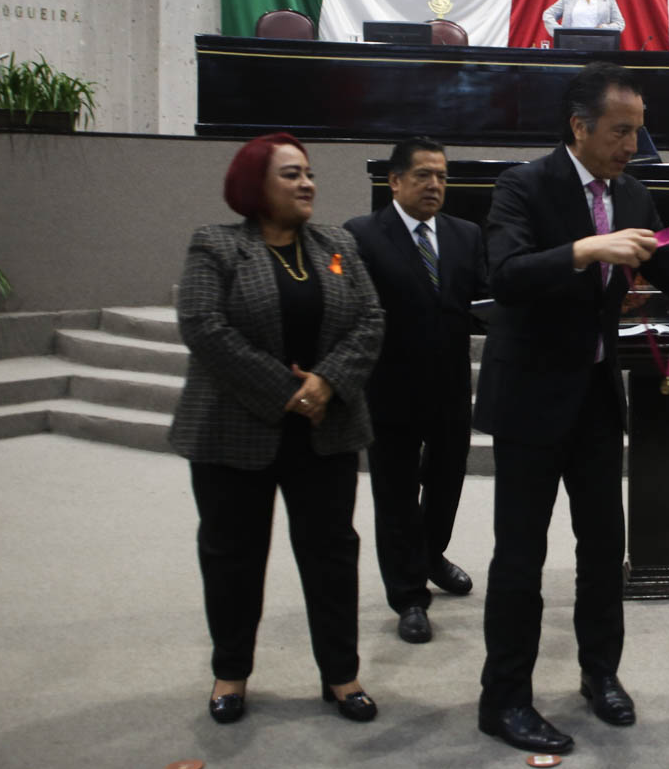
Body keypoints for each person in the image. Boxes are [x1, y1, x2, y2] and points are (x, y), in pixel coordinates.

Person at [473, 61, 669, 754]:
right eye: (620, 132)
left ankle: (600, 673)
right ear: (579, 126)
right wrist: (587, 249)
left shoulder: (635, 197)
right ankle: (504, 700)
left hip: (592, 396)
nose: (631, 146)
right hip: (529, 396)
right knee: (520, 556)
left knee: (602, 549)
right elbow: (506, 275)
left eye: (638, 132)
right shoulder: (524, 186)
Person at [169, 133, 385, 726]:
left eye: (308, 172)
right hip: (233, 432)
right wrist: (290, 391)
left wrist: (327, 384)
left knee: (332, 556)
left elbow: (370, 320)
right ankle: (230, 672)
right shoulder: (215, 245)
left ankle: (341, 675)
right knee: (233, 556)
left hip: (326, 430)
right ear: (254, 185)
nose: (307, 183)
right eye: (291, 174)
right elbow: (203, 327)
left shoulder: (337, 243)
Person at [344, 138, 487, 645]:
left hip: (449, 385)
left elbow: (486, 297)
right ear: (395, 181)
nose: (435, 185)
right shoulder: (361, 235)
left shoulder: (466, 235)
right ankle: (408, 595)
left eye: (443, 177)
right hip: (389, 388)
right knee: (397, 493)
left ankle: (430, 555)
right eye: (424, 175)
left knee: (447, 482)